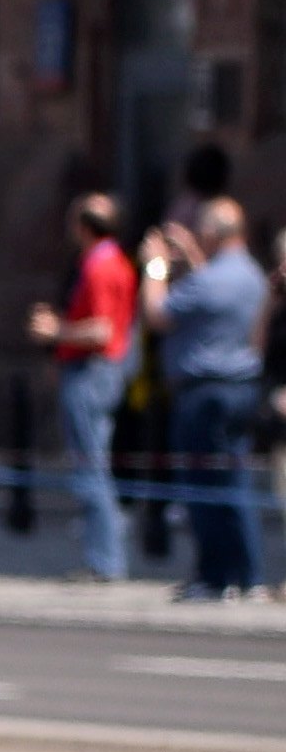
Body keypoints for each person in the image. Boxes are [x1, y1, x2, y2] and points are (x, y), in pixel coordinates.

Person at [141, 195, 265, 599]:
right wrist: (194, 255)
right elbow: (209, 292)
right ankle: (246, 576)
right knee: (234, 484)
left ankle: (214, 577)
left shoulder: (210, 280)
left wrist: (154, 264)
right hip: (241, 388)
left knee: (203, 487)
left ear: (211, 232)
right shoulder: (252, 276)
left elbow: (157, 313)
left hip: (204, 393)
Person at [24, 189, 139, 582]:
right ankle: (105, 557)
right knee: (95, 464)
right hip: (97, 369)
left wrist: (57, 331)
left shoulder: (100, 266)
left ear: (84, 226)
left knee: (90, 468)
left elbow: (102, 330)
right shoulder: (111, 263)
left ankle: (104, 561)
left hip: (92, 371)